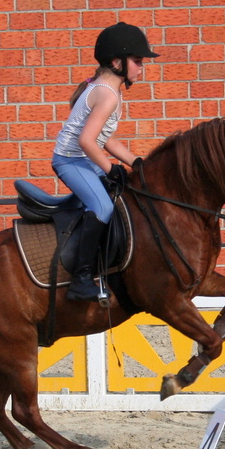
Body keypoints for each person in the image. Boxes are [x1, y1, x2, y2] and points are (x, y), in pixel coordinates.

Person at [52, 22, 159, 301]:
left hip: (81, 159)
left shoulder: (108, 89)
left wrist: (136, 162)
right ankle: (81, 279)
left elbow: (104, 138)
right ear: (117, 62)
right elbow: (88, 141)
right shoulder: (107, 94)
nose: (141, 67)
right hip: (70, 161)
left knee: (121, 195)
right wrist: (111, 169)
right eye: (137, 61)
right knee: (101, 206)